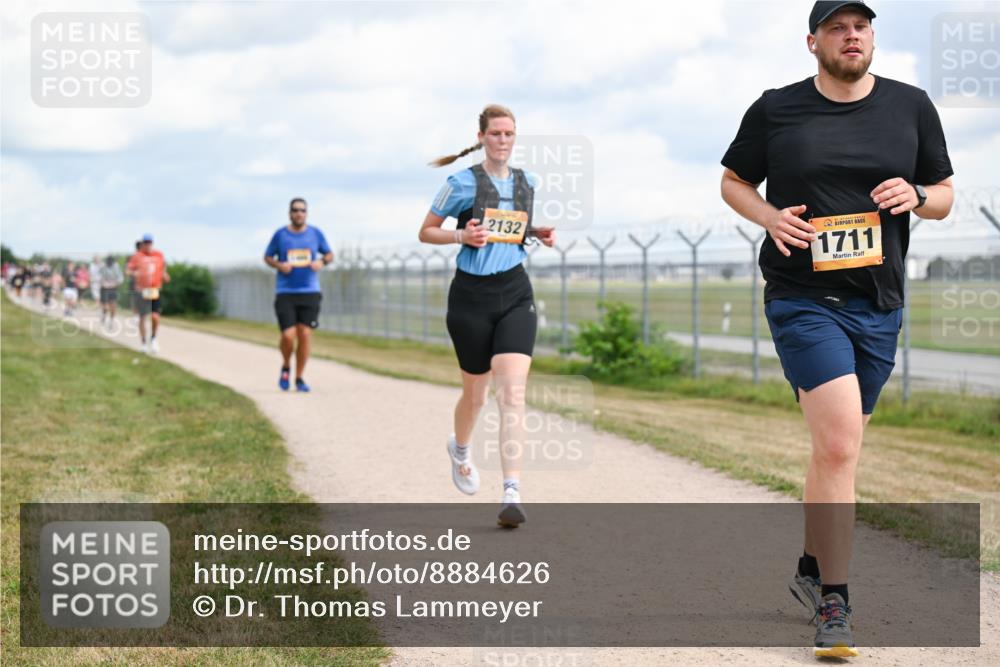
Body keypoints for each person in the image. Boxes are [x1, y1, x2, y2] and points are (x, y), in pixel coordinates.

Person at [719, 1, 954, 658]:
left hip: (878, 302)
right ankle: (835, 604)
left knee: (833, 453)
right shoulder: (777, 108)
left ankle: (808, 567)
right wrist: (768, 215)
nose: (852, 36)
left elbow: (943, 192)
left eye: (862, 26)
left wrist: (916, 196)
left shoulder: (911, 106)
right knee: (842, 446)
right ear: (813, 41)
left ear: (872, 38)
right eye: (837, 28)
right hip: (802, 296)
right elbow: (734, 181)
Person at [419, 104, 556, 528]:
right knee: (475, 396)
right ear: (481, 137)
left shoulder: (527, 181)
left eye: (509, 134)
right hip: (470, 298)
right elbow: (426, 230)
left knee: (511, 394)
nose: (503, 140)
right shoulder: (460, 183)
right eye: (496, 133)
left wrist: (536, 233)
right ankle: (460, 449)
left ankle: (511, 492)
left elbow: (510, 229)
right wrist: (462, 234)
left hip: (515, 292)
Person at [264, 198, 333, 392]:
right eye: (295, 210)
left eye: (302, 210)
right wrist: (279, 265)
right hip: (285, 292)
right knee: (288, 335)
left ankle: (299, 377)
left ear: (306, 213)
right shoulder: (280, 235)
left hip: (310, 291)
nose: (299, 213)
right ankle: (286, 365)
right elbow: (267, 257)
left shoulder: (315, 233)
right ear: (289, 213)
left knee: (304, 334)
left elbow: (329, 254)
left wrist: (321, 262)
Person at [126, 234, 170, 354]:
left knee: (155, 317)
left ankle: (153, 338)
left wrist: (165, 274)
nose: (148, 245)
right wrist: (134, 274)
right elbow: (128, 270)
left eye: (150, 242)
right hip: (142, 290)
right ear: (142, 244)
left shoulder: (159, 255)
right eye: (146, 243)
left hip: (155, 290)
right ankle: (144, 343)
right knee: (142, 317)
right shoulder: (137, 256)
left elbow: (162, 267)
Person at [99, 255, 124, 327]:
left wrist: (115, 283)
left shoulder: (116, 267)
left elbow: (120, 278)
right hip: (104, 288)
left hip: (113, 288)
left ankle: (111, 320)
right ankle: (104, 314)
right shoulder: (103, 266)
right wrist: (103, 282)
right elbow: (100, 276)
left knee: (113, 306)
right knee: (105, 306)